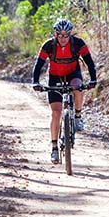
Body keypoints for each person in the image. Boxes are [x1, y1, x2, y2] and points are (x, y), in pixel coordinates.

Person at [31, 18, 97, 164]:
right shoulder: (48, 45)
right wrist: (35, 82)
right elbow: (38, 65)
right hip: (55, 77)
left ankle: (78, 116)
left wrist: (93, 79)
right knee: (56, 113)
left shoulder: (78, 43)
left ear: (70, 34)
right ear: (55, 34)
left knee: (78, 87)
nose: (63, 38)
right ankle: (54, 148)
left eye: (66, 35)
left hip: (73, 73)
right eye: (59, 35)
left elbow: (89, 62)